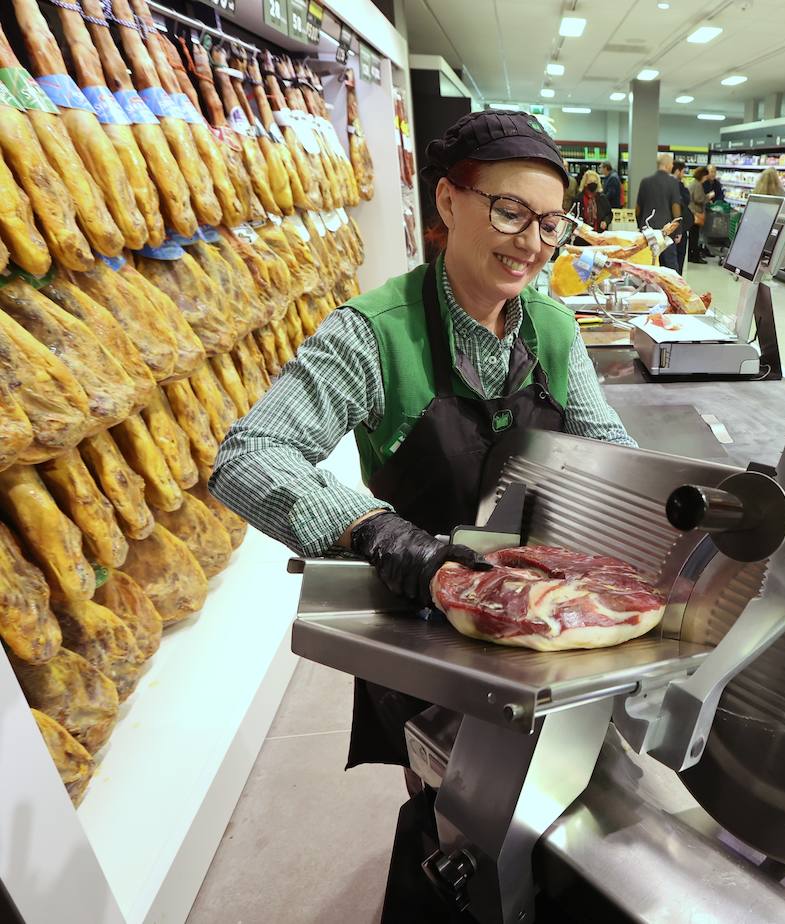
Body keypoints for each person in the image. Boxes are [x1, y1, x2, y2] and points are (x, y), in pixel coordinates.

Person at [209, 109, 636, 917]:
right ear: (447, 202)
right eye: (509, 211)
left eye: (552, 223)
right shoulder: (373, 332)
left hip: (547, 615)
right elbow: (249, 455)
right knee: (446, 787)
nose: (532, 242)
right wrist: (379, 532)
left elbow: (612, 448)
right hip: (421, 620)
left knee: (556, 795)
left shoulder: (551, 326)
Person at [635, 151, 682, 272]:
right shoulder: (673, 182)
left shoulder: (645, 182)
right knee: (670, 269)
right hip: (666, 232)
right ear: (666, 165)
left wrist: (640, 225)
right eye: (671, 164)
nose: (672, 166)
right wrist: (678, 230)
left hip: (647, 232)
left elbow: (638, 208)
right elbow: (675, 207)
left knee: (647, 266)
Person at [670, 160, 692, 273]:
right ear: (678, 171)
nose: (683, 174)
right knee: (678, 260)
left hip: (672, 227)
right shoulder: (677, 186)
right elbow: (684, 203)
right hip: (679, 227)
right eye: (683, 172)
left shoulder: (666, 184)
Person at [686, 165, 710, 265]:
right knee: (694, 236)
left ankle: (691, 255)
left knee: (692, 236)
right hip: (695, 213)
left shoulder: (692, 183)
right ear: (703, 176)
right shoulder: (697, 185)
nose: (706, 179)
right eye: (706, 176)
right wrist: (707, 197)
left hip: (691, 212)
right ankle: (694, 257)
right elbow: (699, 198)